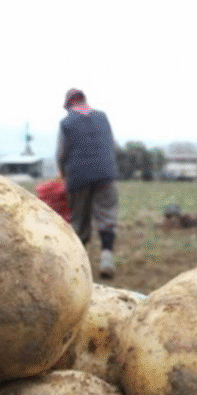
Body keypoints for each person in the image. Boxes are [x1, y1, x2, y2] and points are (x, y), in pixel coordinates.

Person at [57, 88, 119, 279]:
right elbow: (111, 144)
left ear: (69, 104)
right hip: (106, 175)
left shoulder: (66, 123)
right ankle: (107, 258)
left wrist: (63, 175)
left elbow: (61, 154)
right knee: (107, 217)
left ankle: (79, 265)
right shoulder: (102, 117)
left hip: (78, 177)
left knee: (79, 222)